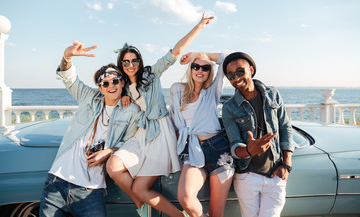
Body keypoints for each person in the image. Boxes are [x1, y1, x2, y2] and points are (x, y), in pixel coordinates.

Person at [106, 13, 214, 217]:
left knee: (140, 188)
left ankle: (175, 214)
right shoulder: (125, 87)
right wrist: (123, 98)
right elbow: (106, 96)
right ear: (121, 65)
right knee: (113, 165)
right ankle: (141, 203)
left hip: (160, 133)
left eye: (134, 60)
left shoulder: (150, 74)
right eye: (126, 62)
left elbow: (176, 51)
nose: (131, 65)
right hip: (141, 134)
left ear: (140, 61)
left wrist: (199, 26)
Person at [39, 40, 139, 217]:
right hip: (57, 182)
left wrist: (109, 151)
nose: (111, 86)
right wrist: (67, 57)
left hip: (91, 191)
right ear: (100, 88)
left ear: (122, 82)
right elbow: (68, 77)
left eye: (115, 80)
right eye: (105, 83)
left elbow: (132, 142)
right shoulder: (88, 98)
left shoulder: (131, 110)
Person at [221, 52, 294, 217]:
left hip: (275, 175)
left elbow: (285, 128)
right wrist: (249, 150)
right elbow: (234, 145)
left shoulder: (273, 94)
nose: (236, 78)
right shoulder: (229, 107)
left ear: (251, 70)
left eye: (240, 71)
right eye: (230, 75)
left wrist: (287, 165)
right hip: (247, 177)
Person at [169, 52, 234, 217]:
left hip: (219, 151)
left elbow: (227, 59)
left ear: (209, 72)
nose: (200, 70)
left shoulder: (213, 91)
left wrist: (201, 53)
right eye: (195, 66)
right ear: (190, 69)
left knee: (216, 213)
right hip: (192, 150)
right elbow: (173, 124)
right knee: (186, 198)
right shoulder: (177, 90)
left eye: (205, 68)